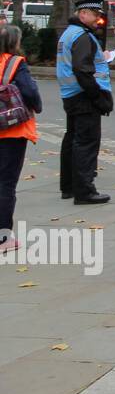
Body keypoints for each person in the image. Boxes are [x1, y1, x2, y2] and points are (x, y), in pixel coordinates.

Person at [57, 0, 112, 205]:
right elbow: (82, 69)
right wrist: (97, 96)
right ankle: (85, 191)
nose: (99, 19)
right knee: (86, 142)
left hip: (70, 94)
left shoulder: (68, 33)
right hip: (84, 96)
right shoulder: (82, 37)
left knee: (72, 139)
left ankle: (68, 186)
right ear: (82, 15)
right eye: (94, 15)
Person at [0, 24, 41, 254]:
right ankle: (3, 236)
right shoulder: (16, 63)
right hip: (11, 130)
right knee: (5, 183)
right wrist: (37, 106)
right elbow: (30, 93)